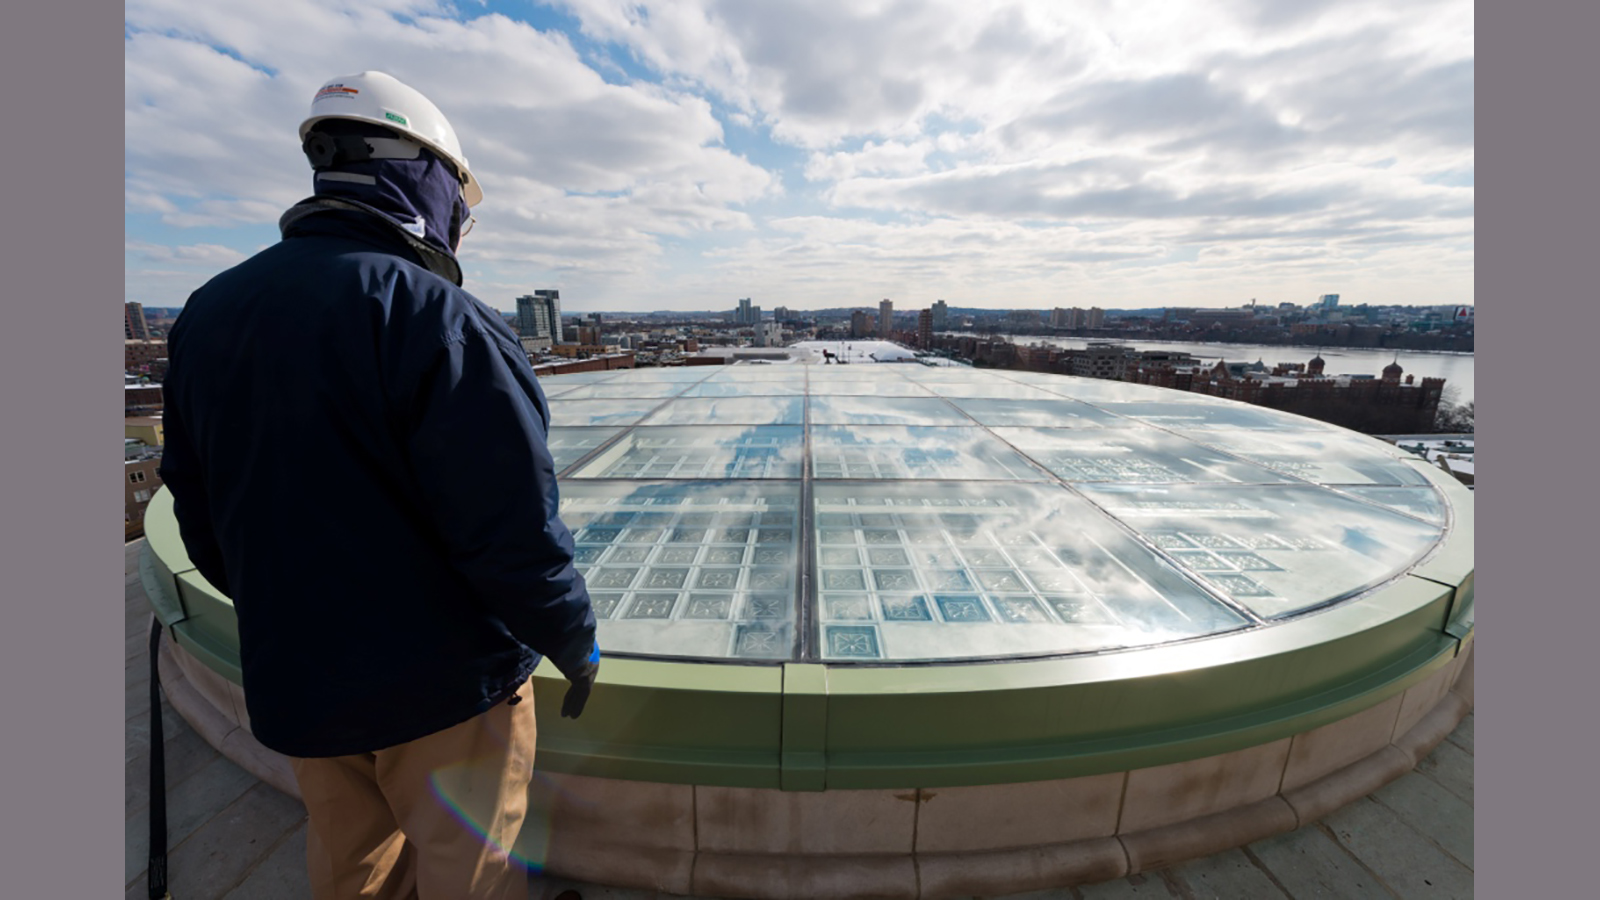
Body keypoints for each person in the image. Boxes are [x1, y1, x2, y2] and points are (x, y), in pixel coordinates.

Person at [158, 70, 598, 900]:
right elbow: (512, 535)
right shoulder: (439, 319)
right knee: (470, 872)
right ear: (425, 178)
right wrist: (572, 638)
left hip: (299, 676)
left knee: (351, 864)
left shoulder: (209, 312)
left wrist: (288, 616)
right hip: (442, 689)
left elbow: (199, 510)